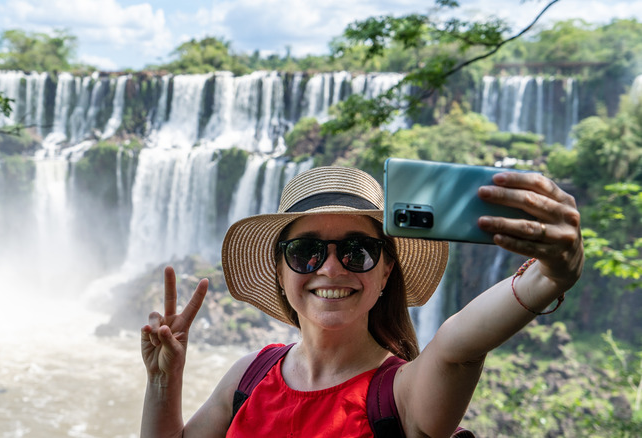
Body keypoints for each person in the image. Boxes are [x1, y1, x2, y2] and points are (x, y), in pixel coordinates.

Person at [140, 165, 583, 437]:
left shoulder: (401, 394)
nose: (331, 269)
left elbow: (458, 346)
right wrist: (163, 381)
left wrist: (551, 275)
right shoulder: (249, 377)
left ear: (386, 269)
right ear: (280, 268)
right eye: (305, 251)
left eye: (358, 251)